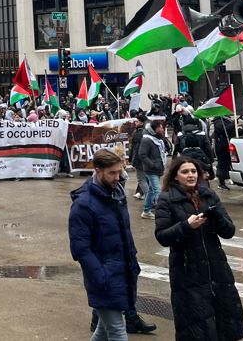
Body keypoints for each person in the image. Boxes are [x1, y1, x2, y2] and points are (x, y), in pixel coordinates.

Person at [154, 155, 243, 341]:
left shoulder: (208, 195)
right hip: (188, 271)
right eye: (185, 172)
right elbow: (162, 236)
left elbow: (229, 231)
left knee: (224, 321)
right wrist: (186, 226)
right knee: (197, 328)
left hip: (216, 269)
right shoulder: (166, 199)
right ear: (175, 176)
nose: (190, 175)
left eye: (193, 171)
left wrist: (217, 219)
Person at [68, 148, 149, 340]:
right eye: (112, 173)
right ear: (98, 170)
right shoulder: (83, 204)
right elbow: (80, 248)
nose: (117, 177)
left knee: (103, 331)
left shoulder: (117, 193)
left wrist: (133, 263)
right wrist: (100, 275)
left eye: (119, 171)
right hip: (104, 277)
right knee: (118, 332)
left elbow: (122, 235)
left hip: (123, 271)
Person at [135, 119, 169, 220]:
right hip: (151, 170)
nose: (162, 129)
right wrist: (152, 165)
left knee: (151, 191)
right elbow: (142, 154)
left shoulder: (158, 139)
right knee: (158, 191)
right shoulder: (147, 139)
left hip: (157, 169)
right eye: (161, 127)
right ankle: (163, 214)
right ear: (156, 128)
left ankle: (146, 211)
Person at [128, 114, 148, 200]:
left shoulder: (139, 133)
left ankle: (150, 197)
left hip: (140, 160)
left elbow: (136, 149)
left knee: (142, 180)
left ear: (142, 122)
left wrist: (133, 160)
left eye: (137, 121)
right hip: (146, 160)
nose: (135, 123)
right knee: (146, 179)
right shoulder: (146, 131)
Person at [212, 115, 234, 190]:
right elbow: (221, 130)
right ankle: (221, 183)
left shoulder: (227, 120)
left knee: (228, 163)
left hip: (227, 145)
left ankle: (228, 178)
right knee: (222, 164)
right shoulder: (218, 120)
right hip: (222, 147)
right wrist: (232, 125)